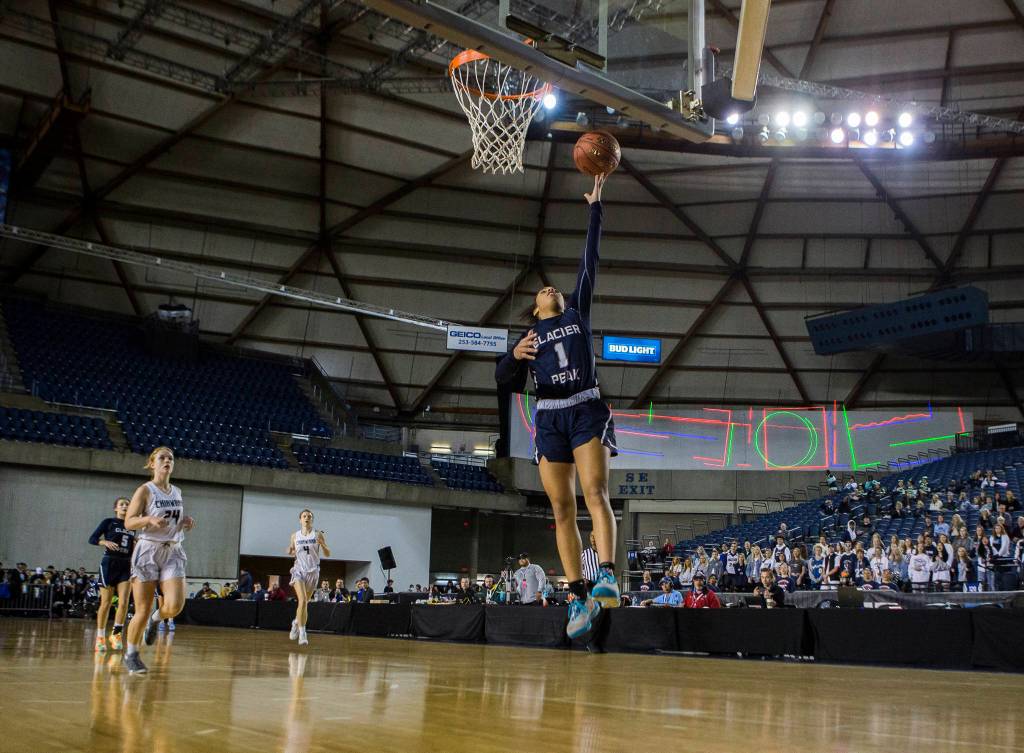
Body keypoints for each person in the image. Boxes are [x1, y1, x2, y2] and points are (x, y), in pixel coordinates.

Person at [494, 173, 619, 639]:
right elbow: (501, 380)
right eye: (542, 290)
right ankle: (576, 596)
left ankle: (606, 572)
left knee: (595, 492)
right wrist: (512, 357)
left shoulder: (576, 314)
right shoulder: (527, 340)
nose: (550, 288)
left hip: (585, 406)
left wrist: (595, 208)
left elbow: (591, 261)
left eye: (553, 287)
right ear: (534, 305)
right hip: (548, 416)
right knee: (561, 509)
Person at [123, 447, 195, 675]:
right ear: (152, 464)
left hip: (173, 550)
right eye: (162, 458)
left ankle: (157, 619)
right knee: (142, 609)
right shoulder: (145, 490)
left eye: (170, 458)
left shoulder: (177, 491)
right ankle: (131, 654)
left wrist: (184, 522)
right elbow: (129, 522)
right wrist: (148, 519)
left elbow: (173, 518)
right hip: (148, 550)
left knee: (175, 606)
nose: (167, 461)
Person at [88, 496, 136, 653]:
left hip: (126, 564)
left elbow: (131, 546)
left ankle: (116, 634)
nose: (125, 506)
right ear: (116, 508)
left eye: (127, 505)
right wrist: (104, 542)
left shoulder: (132, 525)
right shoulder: (108, 522)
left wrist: (136, 545)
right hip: (110, 563)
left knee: (123, 603)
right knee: (106, 602)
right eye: (122, 504)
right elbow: (92, 539)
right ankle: (100, 637)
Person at [287, 509, 331, 646]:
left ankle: (295, 622)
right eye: (304, 516)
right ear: (300, 519)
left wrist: (323, 545)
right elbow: (291, 550)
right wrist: (289, 550)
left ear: (312, 520)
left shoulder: (318, 534)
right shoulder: (295, 536)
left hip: (313, 571)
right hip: (299, 570)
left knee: (305, 603)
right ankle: (302, 633)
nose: (307, 518)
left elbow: (328, 554)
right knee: (303, 600)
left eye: (309, 516)